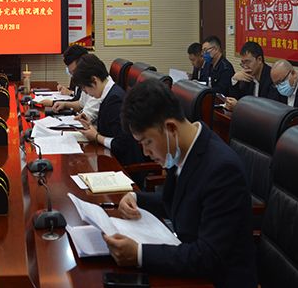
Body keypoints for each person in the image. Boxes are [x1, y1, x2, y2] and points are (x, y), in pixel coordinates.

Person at [103, 80, 257, 288]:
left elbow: (209, 256)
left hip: (216, 280)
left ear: (170, 128)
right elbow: (180, 200)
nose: (145, 152)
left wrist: (139, 254)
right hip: (190, 261)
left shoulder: (222, 169)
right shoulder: (183, 149)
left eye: (147, 142)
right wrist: (137, 198)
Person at [72, 54, 147, 168]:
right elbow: (110, 130)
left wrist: (96, 136)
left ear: (94, 80)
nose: (87, 93)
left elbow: (121, 144)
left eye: (85, 88)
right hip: (111, 158)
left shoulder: (115, 100)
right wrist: (90, 125)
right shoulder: (108, 94)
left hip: (124, 166)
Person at [49, 45, 101, 122]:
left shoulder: (94, 85)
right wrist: (65, 104)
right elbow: (81, 104)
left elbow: (85, 118)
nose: (74, 76)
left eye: (74, 72)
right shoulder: (87, 80)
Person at [225, 41, 272, 111]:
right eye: (243, 63)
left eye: (247, 62)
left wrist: (239, 106)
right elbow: (235, 99)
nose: (245, 67)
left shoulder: (271, 77)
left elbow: (268, 110)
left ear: (259, 60)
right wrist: (234, 80)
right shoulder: (246, 76)